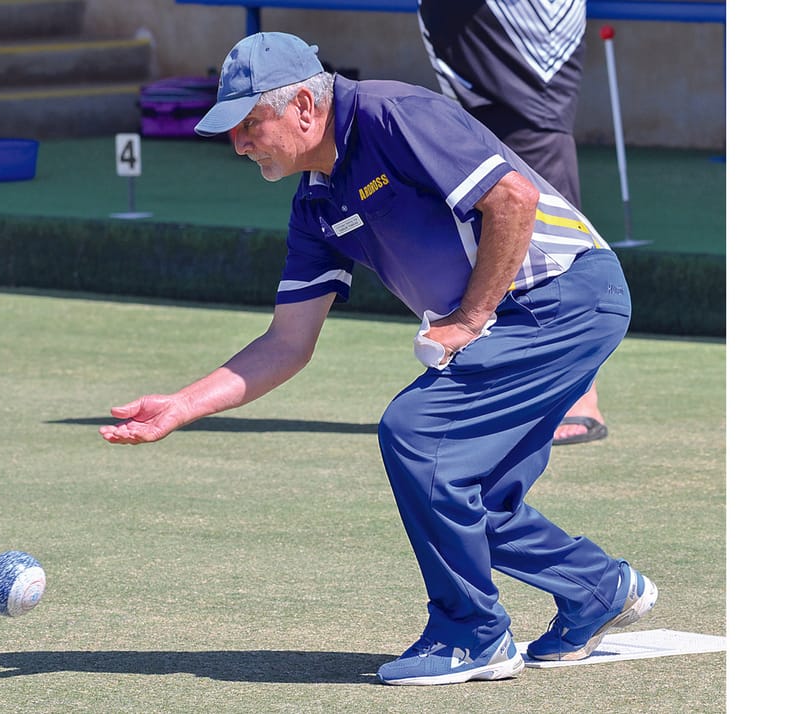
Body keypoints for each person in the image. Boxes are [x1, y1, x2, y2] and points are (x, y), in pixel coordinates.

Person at [99, 32, 657, 686]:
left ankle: (471, 634)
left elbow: (514, 200)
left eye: (251, 123)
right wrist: (182, 405)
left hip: (562, 296)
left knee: (417, 434)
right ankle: (597, 589)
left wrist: (470, 318)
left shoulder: (395, 115)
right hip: (525, 317)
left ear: (305, 105)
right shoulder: (315, 202)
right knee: (472, 498)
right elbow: (287, 343)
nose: (240, 143)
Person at [417, 0, 607, 446]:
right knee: (484, 183)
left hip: (522, 38)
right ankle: (503, 390)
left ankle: (579, 395)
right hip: (472, 44)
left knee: (537, 172)